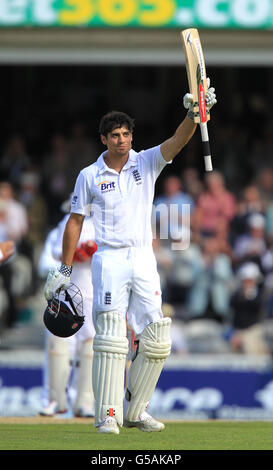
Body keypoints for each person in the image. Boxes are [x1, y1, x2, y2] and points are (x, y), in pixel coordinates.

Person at [44, 82, 217, 434]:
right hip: (109, 258)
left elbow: (177, 141)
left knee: (156, 337)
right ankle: (107, 413)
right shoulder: (89, 176)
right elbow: (75, 222)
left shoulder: (146, 161)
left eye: (126, 134)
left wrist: (193, 114)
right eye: (115, 135)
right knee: (110, 335)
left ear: (131, 135)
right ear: (104, 139)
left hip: (142, 258)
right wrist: (63, 267)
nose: (122, 140)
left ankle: (136, 410)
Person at [39, 206, 97, 418]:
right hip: (67, 293)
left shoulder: (104, 221)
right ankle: (55, 400)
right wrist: (75, 252)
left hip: (93, 292)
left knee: (91, 346)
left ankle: (85, 403)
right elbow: (55, 252)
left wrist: (94, 250)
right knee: (59, 344)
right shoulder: (69, 220)